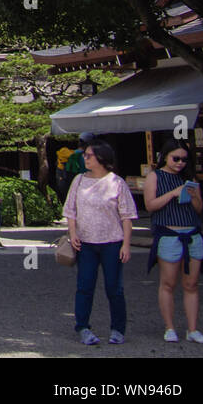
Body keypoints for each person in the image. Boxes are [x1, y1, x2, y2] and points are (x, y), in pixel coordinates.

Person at [64, 140, 136, 345]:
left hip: (112, 241)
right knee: (84, 286)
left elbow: (127, 216)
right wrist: (73, 232)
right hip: (85, 242)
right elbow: (71, 210)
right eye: (85, 155)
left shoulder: (117, 182)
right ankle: (83, 327)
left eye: (89, 155)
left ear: (102, 158)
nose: (85, 158)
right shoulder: (78, 180)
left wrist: (126, 244)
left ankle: (118, 328)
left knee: (114, 288)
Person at [144, 139, 203, 343]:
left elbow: (199, 209)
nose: (180, 163)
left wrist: (194, 196)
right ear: (165, 156)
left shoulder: (189, 177)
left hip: (192, 233)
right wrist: (172, 194)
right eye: (176, 158)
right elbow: (150, 205)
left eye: (183, 159)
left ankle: (193, 328)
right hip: (169, 233)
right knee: (168, 283)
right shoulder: (155, 176)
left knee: (191, 284)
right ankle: (169, 327)